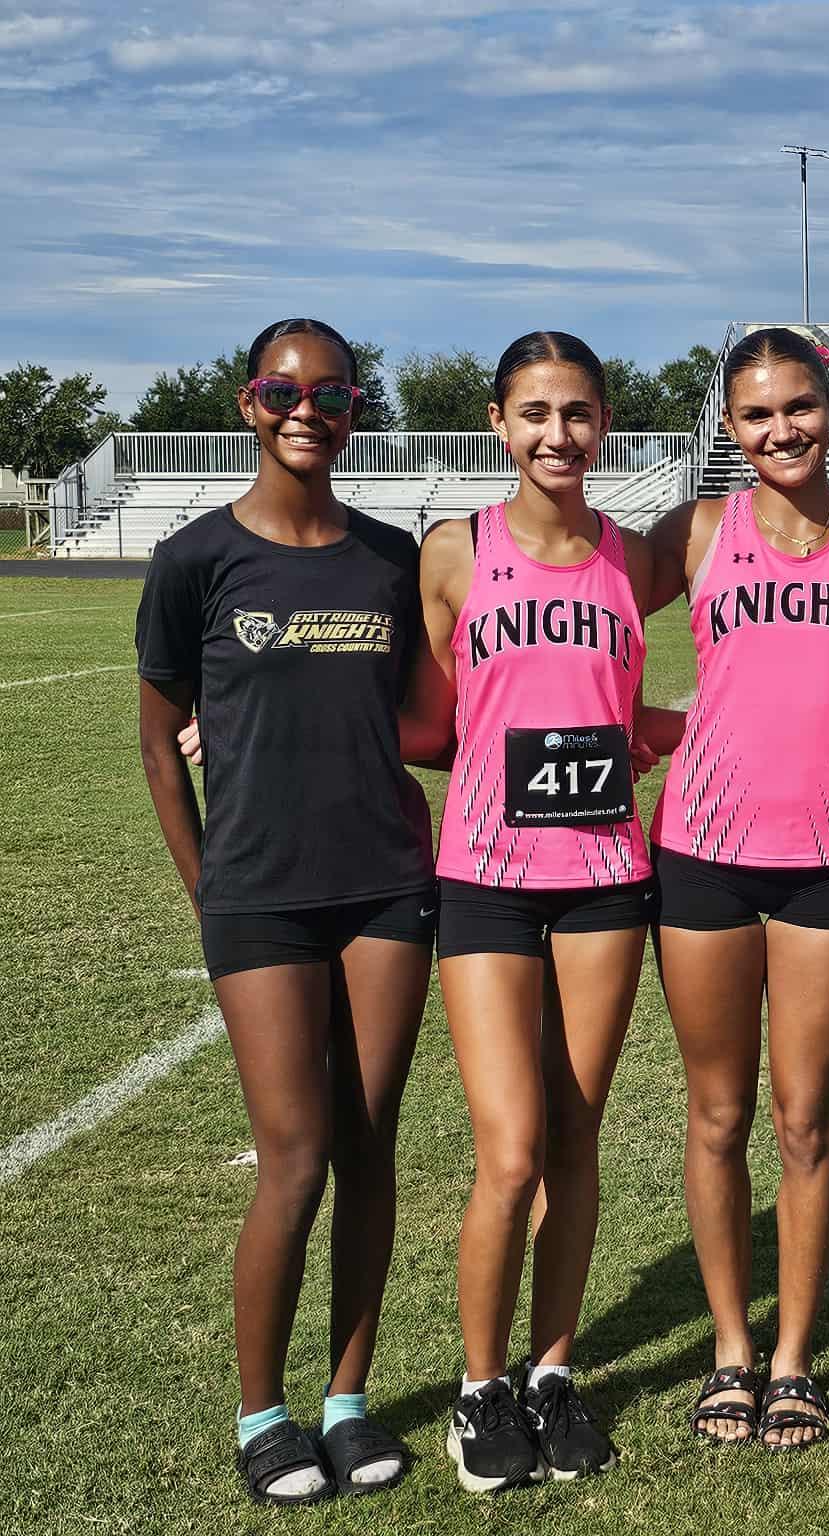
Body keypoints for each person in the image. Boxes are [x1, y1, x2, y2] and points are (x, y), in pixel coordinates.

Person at [136, 318, 435, 1505]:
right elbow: (160, 736)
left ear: (357, 407)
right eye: (281, 390)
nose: (305, 409)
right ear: (249, 402)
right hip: (258, 895)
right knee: (294, 1157)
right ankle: (263, 1416)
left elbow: (428, 718)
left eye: (331, 392)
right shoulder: (196, 559)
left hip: (387, 889)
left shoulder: (389, 558)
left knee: (368, 1151)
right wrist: (205, 882)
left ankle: (347, 1403)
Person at [640, 327, 829, 1451]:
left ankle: (796, 1358)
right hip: (701, 855)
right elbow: (585, 627)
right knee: (717, 1114)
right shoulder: (699, 531)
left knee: (806, 1119)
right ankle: (728, 1349)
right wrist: (649, 730)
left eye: (797, 407)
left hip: (828, 862)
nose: (779, 431)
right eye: (756, 415)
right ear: (727, 425)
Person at [416, 332, 659, 1491]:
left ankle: (552, 1375)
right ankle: (479, 1389)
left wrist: (676, 729)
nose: (557, 434)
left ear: (605, 421)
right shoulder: (454, 554)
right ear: (498, 423)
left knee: (575, 1137)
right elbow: (422, 715)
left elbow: (621, 706)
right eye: (533, 412)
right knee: (508, 1154)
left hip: (608, 879)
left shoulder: (635, 558)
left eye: (577, 412)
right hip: (486, 880)